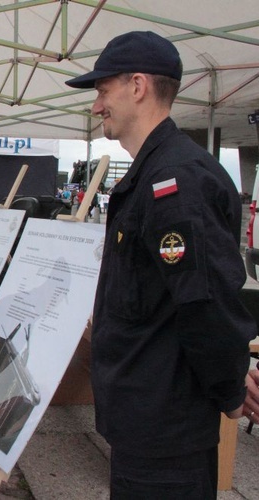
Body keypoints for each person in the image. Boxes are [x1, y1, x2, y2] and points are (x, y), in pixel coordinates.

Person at [65, 31, 255, 498]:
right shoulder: (153, 174)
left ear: (137, 86)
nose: (96, 106)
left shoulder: (177, 181)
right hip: (144, 421)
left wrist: (231, 391)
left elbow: (205, 303)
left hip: (165, 431)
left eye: (102, 91)